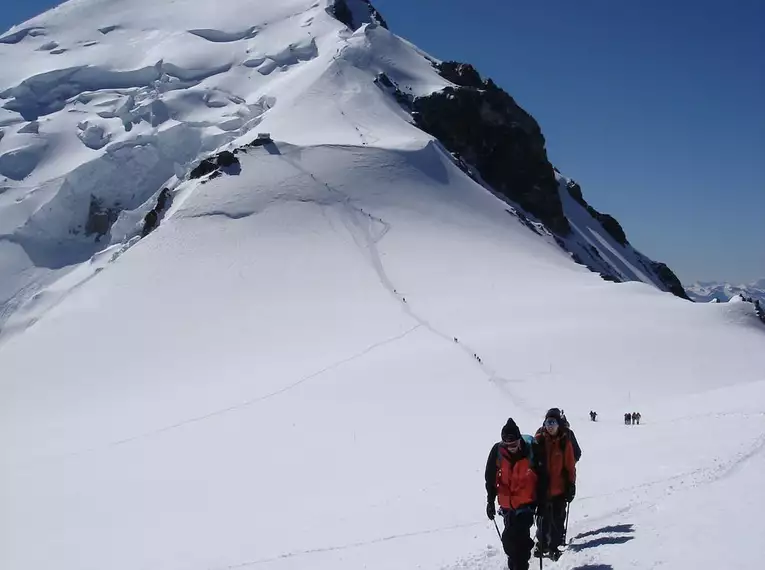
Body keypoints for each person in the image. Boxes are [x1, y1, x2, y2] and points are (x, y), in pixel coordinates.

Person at [485, 418, 539, 570]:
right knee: (512, 546)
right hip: (507, 507)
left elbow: (542, 477)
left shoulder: (530, 451)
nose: (512, 448)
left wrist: (541, 502)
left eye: (514, 444)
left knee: (515, 542)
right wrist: (490, 501)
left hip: (526, 505)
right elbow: (490, 478)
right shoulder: (497, 452)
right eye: (508, 445)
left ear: (519, 439)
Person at [534, 408, 576, 561]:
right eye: (547, 422)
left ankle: (554, 546)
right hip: (542, 489)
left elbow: (570, 466)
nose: (550, 425)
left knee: (557, 518)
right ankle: (542, 543)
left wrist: (571, 485)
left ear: (559, 424)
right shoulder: (538, 440)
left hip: (559, 488)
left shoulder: (565, 441)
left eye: (553, 422)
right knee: (542, 518)